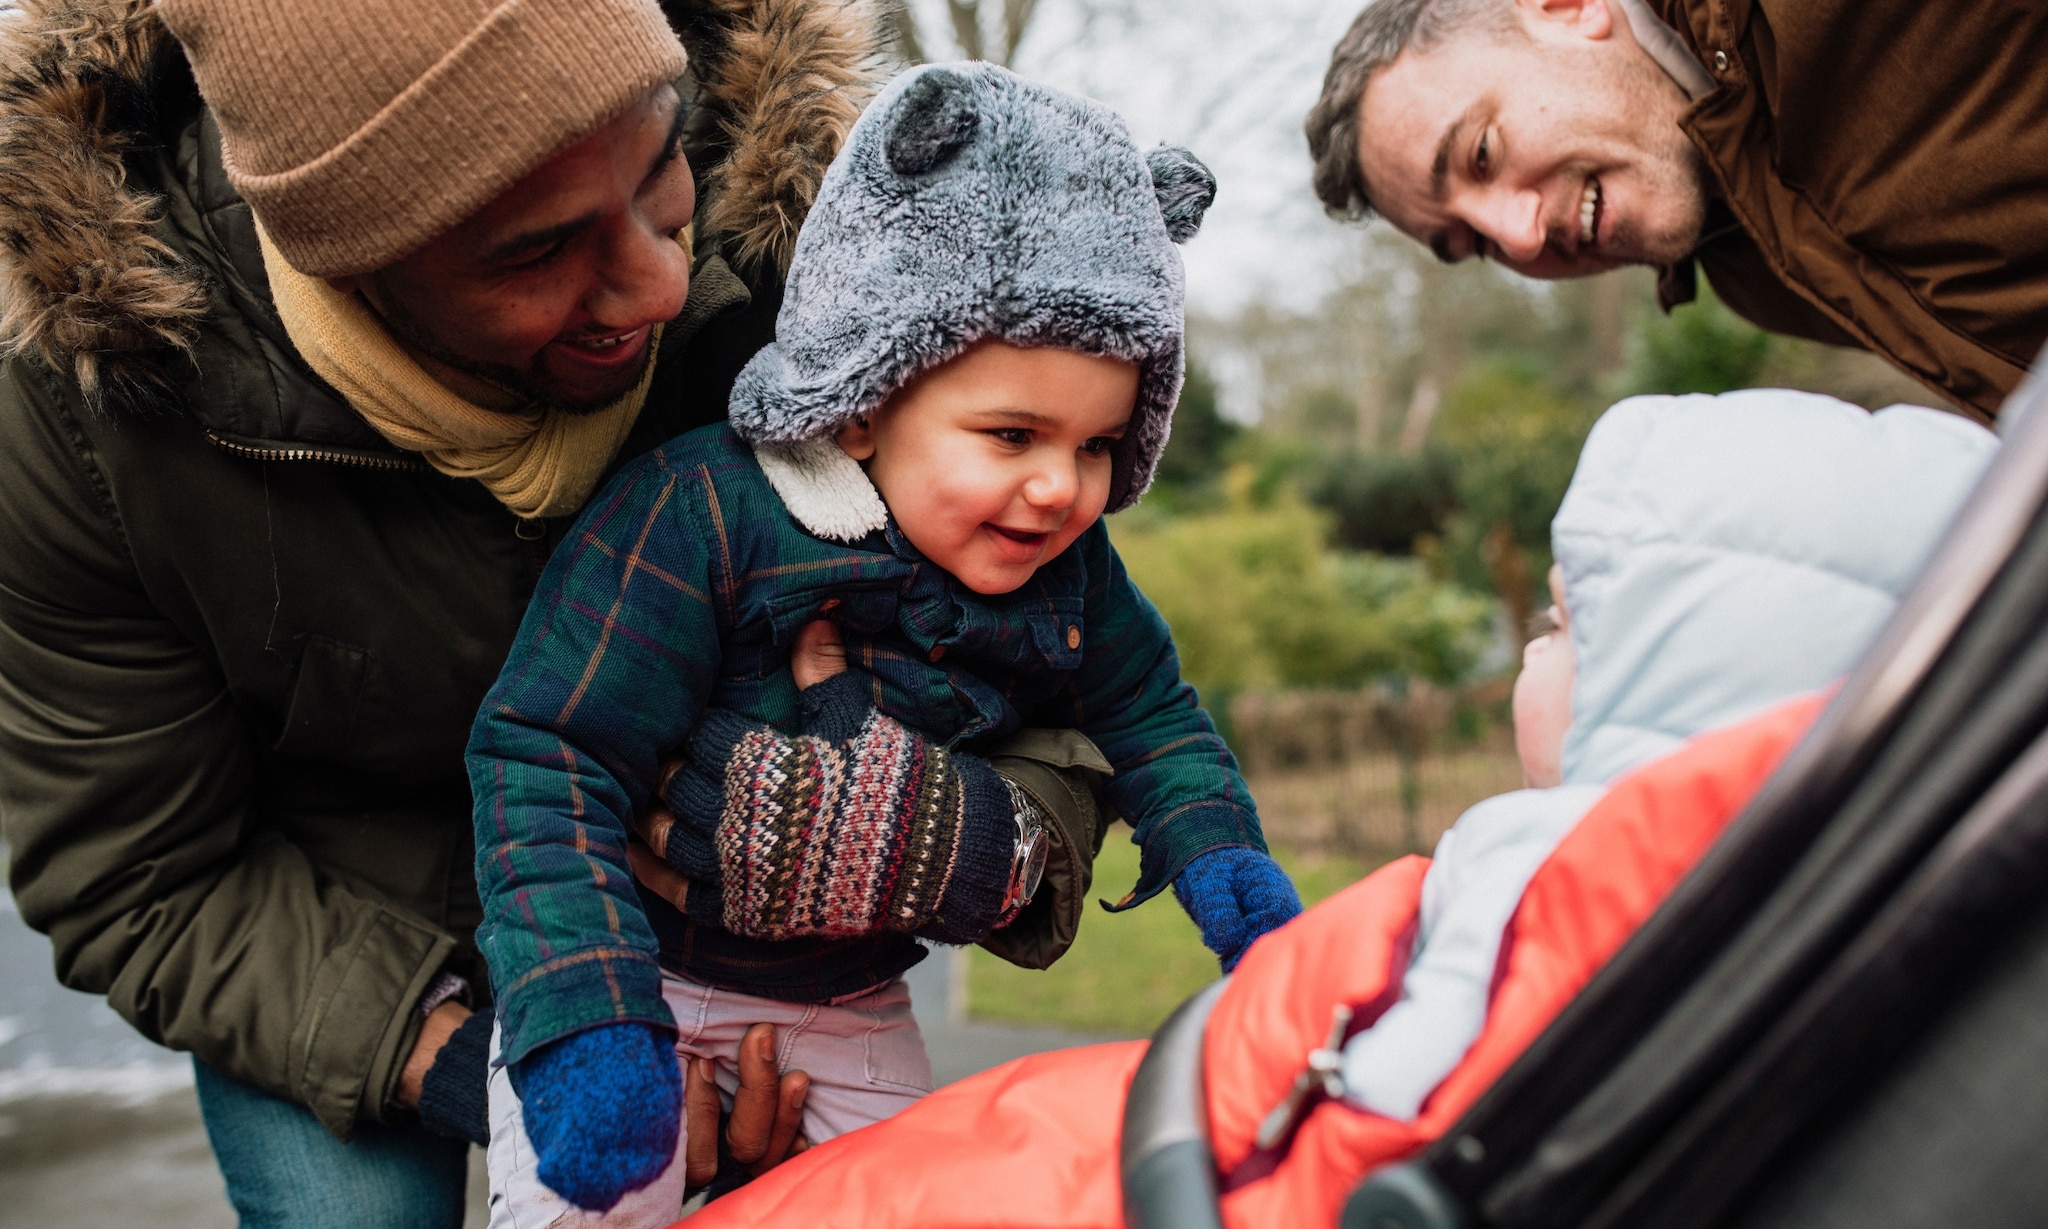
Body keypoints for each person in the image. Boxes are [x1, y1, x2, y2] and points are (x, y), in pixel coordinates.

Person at [675, 386, 1997, 1228]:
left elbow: (1382, 1100)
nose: (1529, 658)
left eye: (1559, 629)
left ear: (1666, 671)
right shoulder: (1800, 907)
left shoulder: (1572, 876)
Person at [0, 0, 910, 1222]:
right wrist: (468, 1063)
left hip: (707, 920)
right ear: (339, 259)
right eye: (536, 251)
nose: (655, 283)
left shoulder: (800, 252)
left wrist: (966, 832)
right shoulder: (79, 419)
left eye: (660, 168)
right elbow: (141, 872)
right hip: (332, 924)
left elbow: (1056, 649)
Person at [465, 63, 1304, 1225]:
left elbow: (1153, 712)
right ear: (862, 398)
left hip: (852, 1006)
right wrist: (589, 1017)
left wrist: (1227, 872)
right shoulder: (702, 514)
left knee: (917, 1204)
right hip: (641, 973)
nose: (1061, 487)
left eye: (1101, 443)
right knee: (591, 1200)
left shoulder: (1068, 570)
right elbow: (547, 752)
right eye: (1011, 433)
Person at [1304, 0, 2048, 423]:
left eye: (1483, 155)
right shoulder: (1748, 269)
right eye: (1472, 242)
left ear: (1567, 10)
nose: (1519, 236)